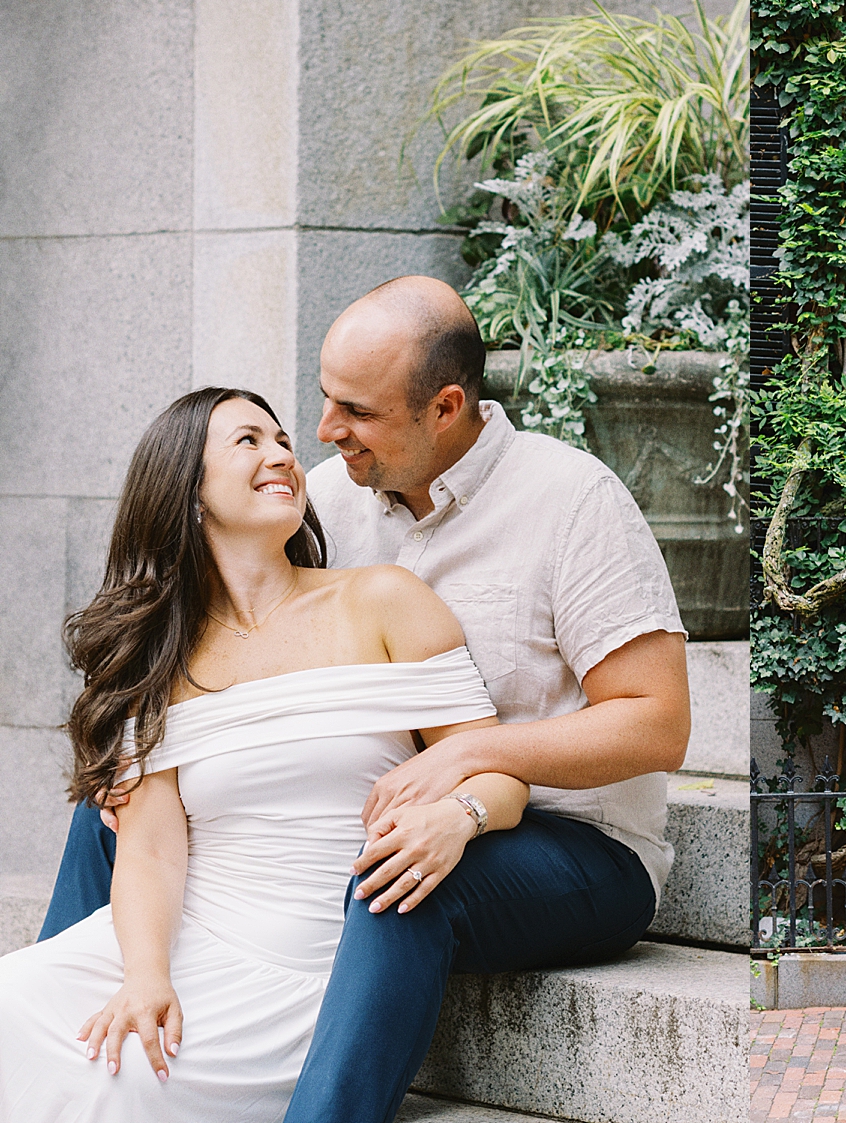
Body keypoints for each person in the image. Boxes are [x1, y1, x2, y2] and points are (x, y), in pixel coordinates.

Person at [36, 276, 692, 1123]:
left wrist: (470, 760)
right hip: (375, 814)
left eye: (357, 409)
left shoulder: (571, 501)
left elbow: (659, 721)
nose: (323, 430)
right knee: (118, 805)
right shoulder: (328, 494)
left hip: (574, 843)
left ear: (445, 407)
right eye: (321, 399)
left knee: (397, 880)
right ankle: (78, 1039)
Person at [0, 387, 529, 1120]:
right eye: (248, 441)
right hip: (181, 939)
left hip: (303, 970)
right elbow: (150, 853)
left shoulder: (382, 601)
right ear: (188, 491)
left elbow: (498, 769)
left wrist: (460, 816)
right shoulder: (159, 656)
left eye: (282, 440)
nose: (282, 453)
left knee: (111, 1083)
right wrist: (147, 976)